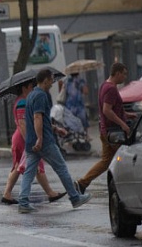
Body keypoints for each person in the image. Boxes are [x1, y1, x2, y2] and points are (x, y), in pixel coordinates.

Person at [17, 68, 92, 214]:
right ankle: (75, 198)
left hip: (32, 141)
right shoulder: (41, 95)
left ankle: (23, 202)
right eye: (51, 80)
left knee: (30, 171)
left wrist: (56, 129)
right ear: (45, 80)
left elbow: (41, 120)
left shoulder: (31, 95)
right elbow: (37, 117)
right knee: (61, 168)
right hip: (44, 141)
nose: (53, 83)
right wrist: (40, 138)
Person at [74, 62, 137, 194]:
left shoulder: (105, 85)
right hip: (114, 133)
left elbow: (113, 108)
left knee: (106, 161)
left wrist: (126, 114)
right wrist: (123, 124)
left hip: (106, 131)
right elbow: (107, 110)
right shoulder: (111, 89)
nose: (125, 77)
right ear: (118, 73)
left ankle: (82, 183)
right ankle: (126, 188)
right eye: (124, 74)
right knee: (128, 156)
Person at [1, 81, 66, 205]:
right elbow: (22, 124)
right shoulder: (22, 102)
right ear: (24, 88)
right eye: (31, 87)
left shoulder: (24, 101)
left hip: (21, 139)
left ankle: (7, 194)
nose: (33, 89)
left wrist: (55, 129)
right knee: (35, 166)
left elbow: (39, 122)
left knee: (22, 167)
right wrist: (30, 142)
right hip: (23, 139)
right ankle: (49, 193)